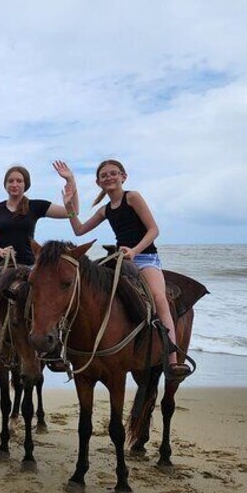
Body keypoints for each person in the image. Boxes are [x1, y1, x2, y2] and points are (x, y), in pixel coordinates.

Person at [62, 159, 191, 379]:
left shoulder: (132, 197)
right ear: (98, 182)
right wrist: (69, 208)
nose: (109, 178)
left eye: (113, 173)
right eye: (104, 176)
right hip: (120, 259)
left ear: (123, 176)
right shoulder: (105, 210)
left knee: (159, 298)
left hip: (146, 258)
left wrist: (134, 251)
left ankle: (172, 360)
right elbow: (79, 230)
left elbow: (153, 230)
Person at [0, 162, 77, 374]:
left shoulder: (35, 206)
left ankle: (55, 353)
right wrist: (1, 252)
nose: (15, 184)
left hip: (31, 268)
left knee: (50, 306)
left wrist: (70, 182)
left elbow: (72, 213)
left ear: (26, 185)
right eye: (11, 181)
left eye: (19, 181)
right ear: (5, 184)